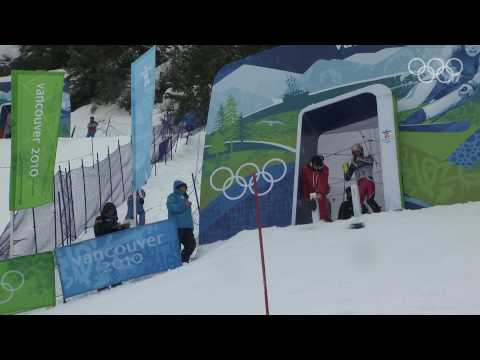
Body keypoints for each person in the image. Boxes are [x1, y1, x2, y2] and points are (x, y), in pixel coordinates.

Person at [399, 45, 480, 125]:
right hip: (442, 78)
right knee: (414, 100)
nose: (472, 47)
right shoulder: (455, 46)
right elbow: (442, 57)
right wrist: (448, 67)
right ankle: (392, 110)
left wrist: (472, 84)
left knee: (458, 95)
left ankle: (414, 119)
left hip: (460, 86)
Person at [93, 202, 130, 291]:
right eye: (108, 211)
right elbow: (99, 231)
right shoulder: (99, 220)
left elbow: (116, 234)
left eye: (112, 211)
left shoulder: (114, 220)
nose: (110, 213)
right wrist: (115, 228)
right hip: (101, 249)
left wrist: (122, 228)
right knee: (102, 268)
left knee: (114, 265)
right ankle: (102, 285)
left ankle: (115, 281)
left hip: (112, 249)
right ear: (104, 212)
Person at [343, 144, 381, 214]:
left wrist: (352, 165)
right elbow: (347, 178)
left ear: (361, 151)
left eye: (357, 152)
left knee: (368, 201)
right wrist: (346, 169)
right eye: (354, 153)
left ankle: (379, 214)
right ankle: (367, 214)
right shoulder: (355, 162)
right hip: (363, 183)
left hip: (367, 182)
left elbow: (368, 161)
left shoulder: (367, 158)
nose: (356, 154)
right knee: (359, 202)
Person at [167, 180, 196, 263]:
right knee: (176, 247)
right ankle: (175, 263)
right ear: (177, 187)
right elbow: (172, 208)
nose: (184, 188)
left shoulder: (185, 197)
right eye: (182, 186)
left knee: (191, 245)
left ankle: (183, 261)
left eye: (185, 187)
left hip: (187, 227)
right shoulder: (172, 196)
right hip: (177, 226)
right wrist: (184, 205)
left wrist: (191, 225)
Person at [300, 154, 332, 222]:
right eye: (317, 168)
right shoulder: (305, 170)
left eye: (320, 168)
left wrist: (320, 192)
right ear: (312, 164)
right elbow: (305, 185)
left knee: (322, 203)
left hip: (321, 192)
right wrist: (309, 197)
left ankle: (325, 220)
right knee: (314, 210)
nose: (318, 170)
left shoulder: (325, 169)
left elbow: (323, 182)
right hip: (312, 193)